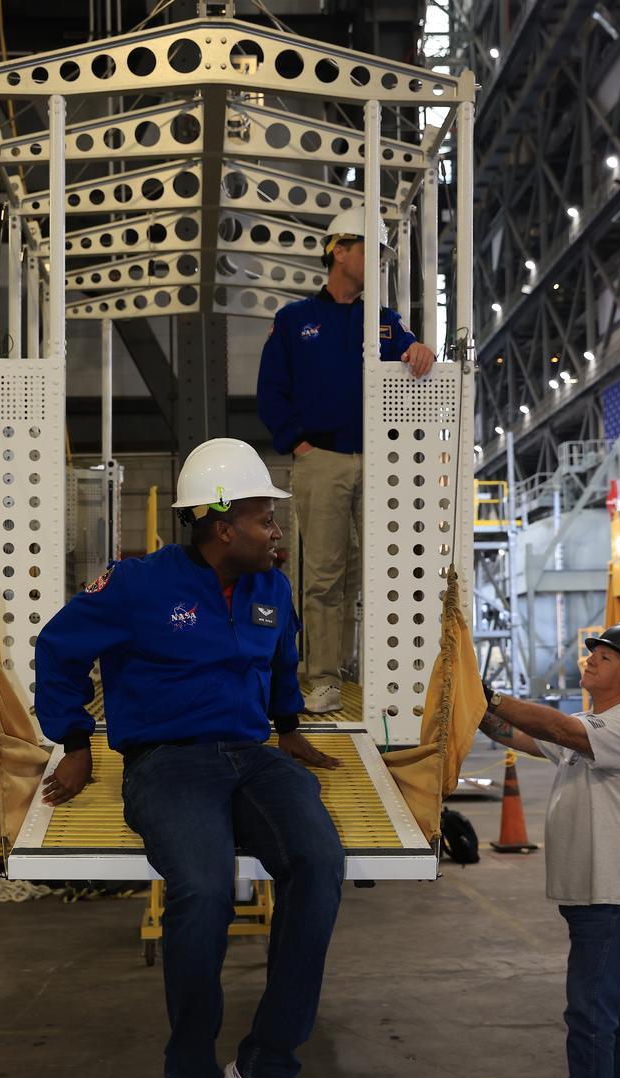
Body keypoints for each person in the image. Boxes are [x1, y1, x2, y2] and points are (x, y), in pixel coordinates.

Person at [34, 438, 345, 1078]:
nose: (275, 531)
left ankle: (267, 1069)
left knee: (319, 862)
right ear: (217, 523)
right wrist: (75, 739)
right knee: (202, 891)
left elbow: (280, 658)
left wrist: (291, 725)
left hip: (250, 756)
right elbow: (58, 646)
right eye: (262, 517)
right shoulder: (140, 585)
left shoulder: (270, 587)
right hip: (166, 761)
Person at [479, 623, 620, 1078]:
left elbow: (555, 726)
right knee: (616, 1005)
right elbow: (520, 735)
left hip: (611, 896)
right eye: (593, 656)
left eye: (604, 658)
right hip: (598, 895)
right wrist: (473, 705)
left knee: (589, 1012)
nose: (590, 663)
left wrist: (488, 693)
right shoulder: (595, 726)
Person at [256, 204, 435, 713]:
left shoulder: (384, 321)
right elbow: (271, 392)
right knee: (324, 576)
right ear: (338, 251)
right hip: (323, 461)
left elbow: (412, 358)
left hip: (380, 462)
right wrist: (301, 445)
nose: (378, 260)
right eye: (370, 250)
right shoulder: (294, 321)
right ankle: (322, 678)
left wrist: (418, 349)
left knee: (376, 571)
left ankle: (364, 671)